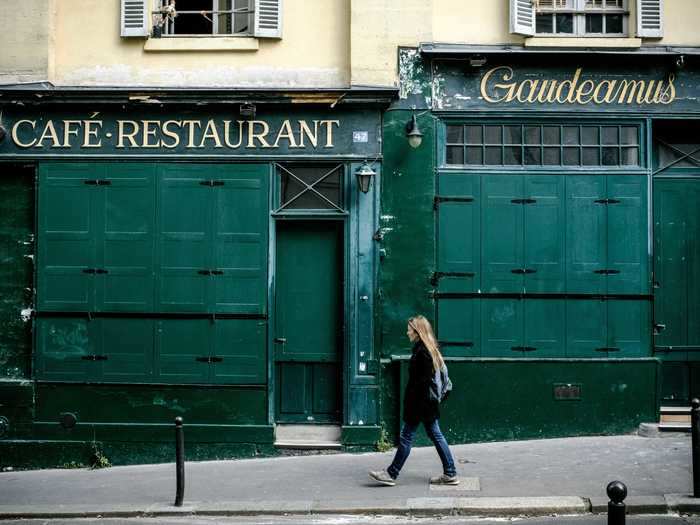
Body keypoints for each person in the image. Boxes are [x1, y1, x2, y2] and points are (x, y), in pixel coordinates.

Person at [369, 315, 458, 486]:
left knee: (406, 437)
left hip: (420, 405)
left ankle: (391, 474)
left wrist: (413, 408)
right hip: (426, 405)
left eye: (409, 328)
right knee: (435, 436)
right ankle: (450, 472)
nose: (407, 331)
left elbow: (421, 385)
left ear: (417, 332)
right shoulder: (427, 349)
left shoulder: (422, 353)